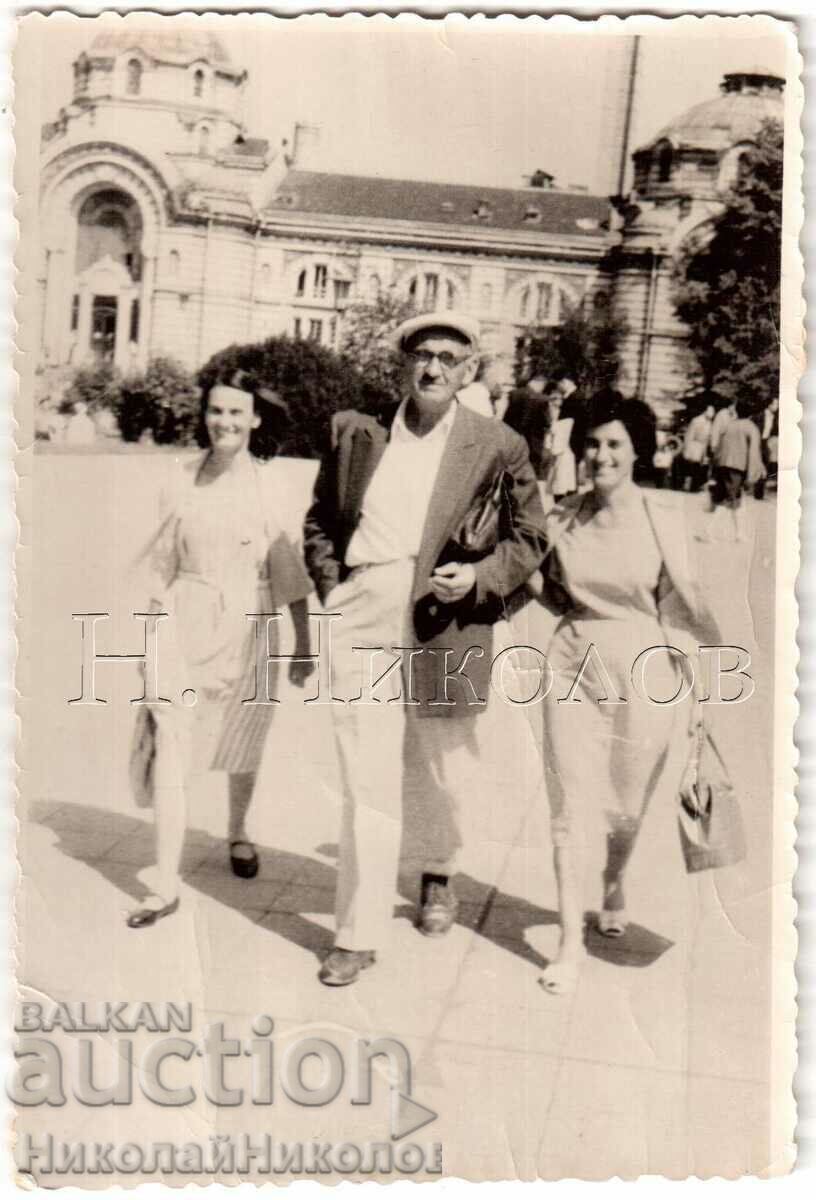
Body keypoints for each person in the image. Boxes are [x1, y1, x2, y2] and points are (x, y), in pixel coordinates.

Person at [303, 311, 547, 986]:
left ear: (470, 370)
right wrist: (333, 589)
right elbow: (321, 518)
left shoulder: (497, 445)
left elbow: (531, 538)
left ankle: (438, 869)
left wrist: (479, 576)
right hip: (364, 610)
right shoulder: (358, 433)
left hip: (447, 618)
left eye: (448, 357)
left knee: (442, 769)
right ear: (402, 364)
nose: (433, 368)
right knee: (365, 776)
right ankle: (356, 933)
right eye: (421, 355)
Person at [530, 389, 721, 996]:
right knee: (568, 808)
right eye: (591, 443)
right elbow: (540, 581)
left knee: (628, 804)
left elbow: (686, 609)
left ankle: (614, 881)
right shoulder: (562, 515)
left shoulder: (663, 518)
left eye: (614, 443)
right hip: (571, 663)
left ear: (637, 450)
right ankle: (567, 945)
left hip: (645, 669)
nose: (600, 454)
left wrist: (701, 695)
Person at [126, 370, 314, 927]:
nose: (224, 422)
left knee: (244, 737)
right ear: (203, 415)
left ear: (255, 418)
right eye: (215, 411)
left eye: (236, 412)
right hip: (184, 617)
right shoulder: (177, 479)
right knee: (171, 739)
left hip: (252, 622)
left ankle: (238, 830)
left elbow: (290, 571)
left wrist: (305, 644)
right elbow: (160, 566)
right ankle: (163, 880)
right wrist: (149, 633)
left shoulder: (271, 486)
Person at [708, 397, 765, 541]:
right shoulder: (751, 428)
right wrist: (753, 475)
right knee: (728, 499)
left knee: (735, 499)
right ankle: (708, 530)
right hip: (737, 468)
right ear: (751, 413)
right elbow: (753, 453)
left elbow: (719, 448)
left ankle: (739, 534)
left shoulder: (729, 425)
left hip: (723, 465)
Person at [678, 404, 715, 492]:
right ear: (705, 411)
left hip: (702, 447)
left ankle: (695, 486)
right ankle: (687, 485)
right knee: (690, 466)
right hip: (694, 445)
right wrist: (686, 449)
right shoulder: (696, 420)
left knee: (698, 468)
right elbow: (689, 435)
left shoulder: (709, 423)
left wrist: (705, 452)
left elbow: (708, 438)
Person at [754, 397, 779, 500]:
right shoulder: (759, 416)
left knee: (765, 465)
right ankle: (758, 491)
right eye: (775, 404)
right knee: (759, 465)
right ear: (769, 405)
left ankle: (759, 491)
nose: (777, 406)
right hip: (759, 442)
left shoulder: (776, 417)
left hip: (768, 443)